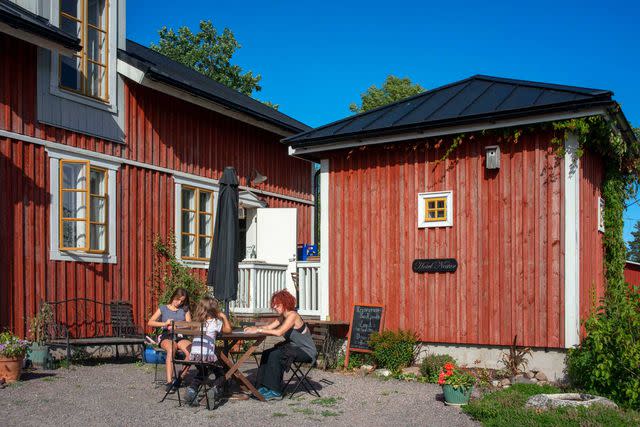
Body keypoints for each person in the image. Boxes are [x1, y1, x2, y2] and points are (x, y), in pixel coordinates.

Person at [245, 290, 317, 400]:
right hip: (295, 348)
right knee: (267, 353)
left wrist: (258, 330)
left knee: (276, 355)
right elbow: (269, 328)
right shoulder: (282, 316)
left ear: (285, 303)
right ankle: (262, 387)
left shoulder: (293, 315)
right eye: (273, 304)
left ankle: (275, 391)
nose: (274, 306)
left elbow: (279, 332)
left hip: (307, 352)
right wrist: (253, 329)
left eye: (277, 304)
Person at [184, 296, 232, 406]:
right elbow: (228, 330)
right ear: (214, 310)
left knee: (203, 372)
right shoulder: (215, 322)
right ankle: (213, 391)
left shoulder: (196, 322)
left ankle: (192, 390)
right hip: (207, 356)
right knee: (221, 375)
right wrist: (224, 317)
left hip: (195, 355)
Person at [147, 288, 192, 391]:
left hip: (181, 335)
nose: (179, 302)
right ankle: (169, 382)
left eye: (182, 301)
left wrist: (177, 326)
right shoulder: (163, 308)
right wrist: (165, 323)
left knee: (191, 352)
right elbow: (150, 322)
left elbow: (189, 325)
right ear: (173, 297)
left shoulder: (185, 309)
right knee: (171, 349)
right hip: (167, 335)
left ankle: (179, 379)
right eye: (178, 299)